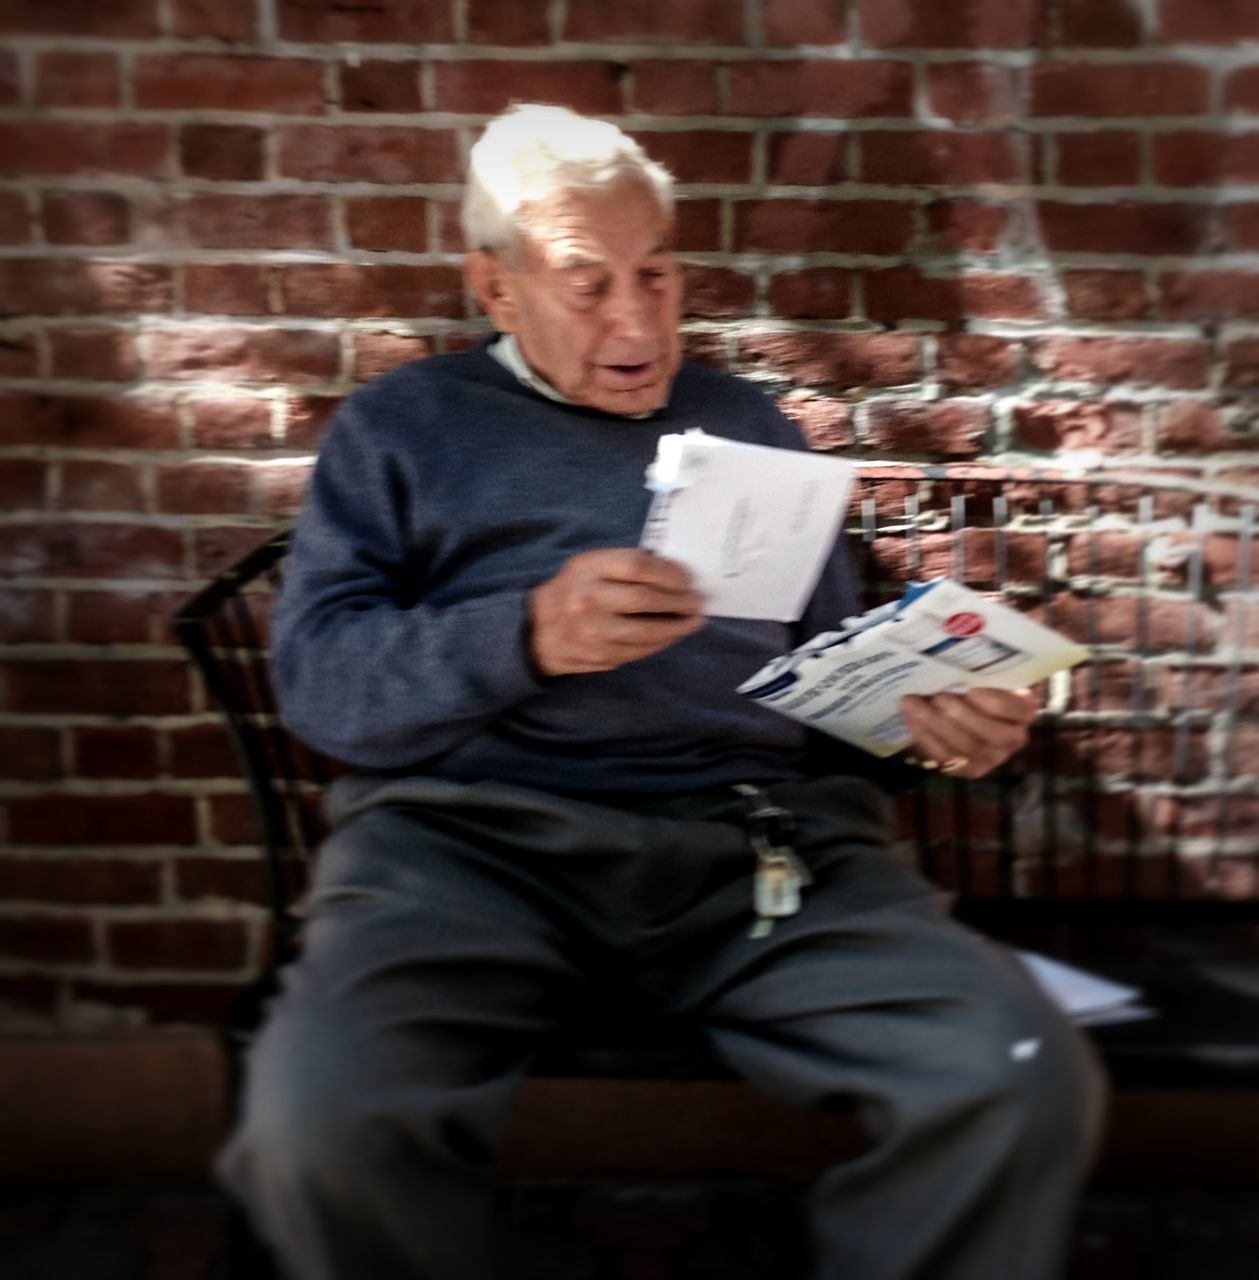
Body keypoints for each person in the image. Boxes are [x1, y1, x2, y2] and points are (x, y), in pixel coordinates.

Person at [217, 104, 1105, 1280]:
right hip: (468, 851)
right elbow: (325, 689)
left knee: (1018, 1072)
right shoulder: (403, 429)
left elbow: (821, 679)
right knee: (319, 1119)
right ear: (498, 290)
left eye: (657, 273)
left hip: (756, 850)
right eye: (587, 284)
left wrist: (922, 725)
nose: (637, 322)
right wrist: (523, 633)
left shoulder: (749, 424)